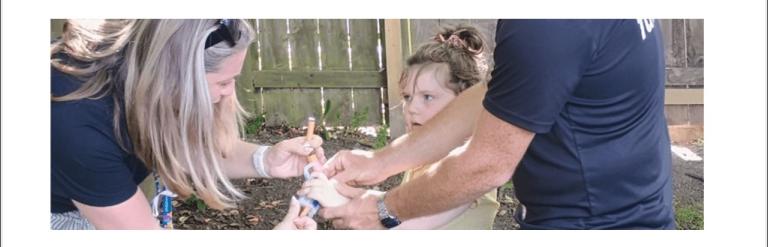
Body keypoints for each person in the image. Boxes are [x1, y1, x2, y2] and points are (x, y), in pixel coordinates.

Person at [319, 19, 675, 229]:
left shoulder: (546, 23)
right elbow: (503, 93)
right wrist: (380, 162)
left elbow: (485, 166)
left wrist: (383, 211)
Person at [51, 19, 321, 230]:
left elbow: (189, 147)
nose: (229, 93)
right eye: (223, 82)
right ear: (176, 79)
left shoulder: (145, 70)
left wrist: (267, 160)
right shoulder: (80, 130)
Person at [299, 25, 499, 229]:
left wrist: (335, 201)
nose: (412, 108)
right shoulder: (421, 162)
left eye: (428, 97)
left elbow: (404, 229)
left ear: (464, 105)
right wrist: (354, 196)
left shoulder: (469, 167)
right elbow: (406, 208)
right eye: (407, 97)